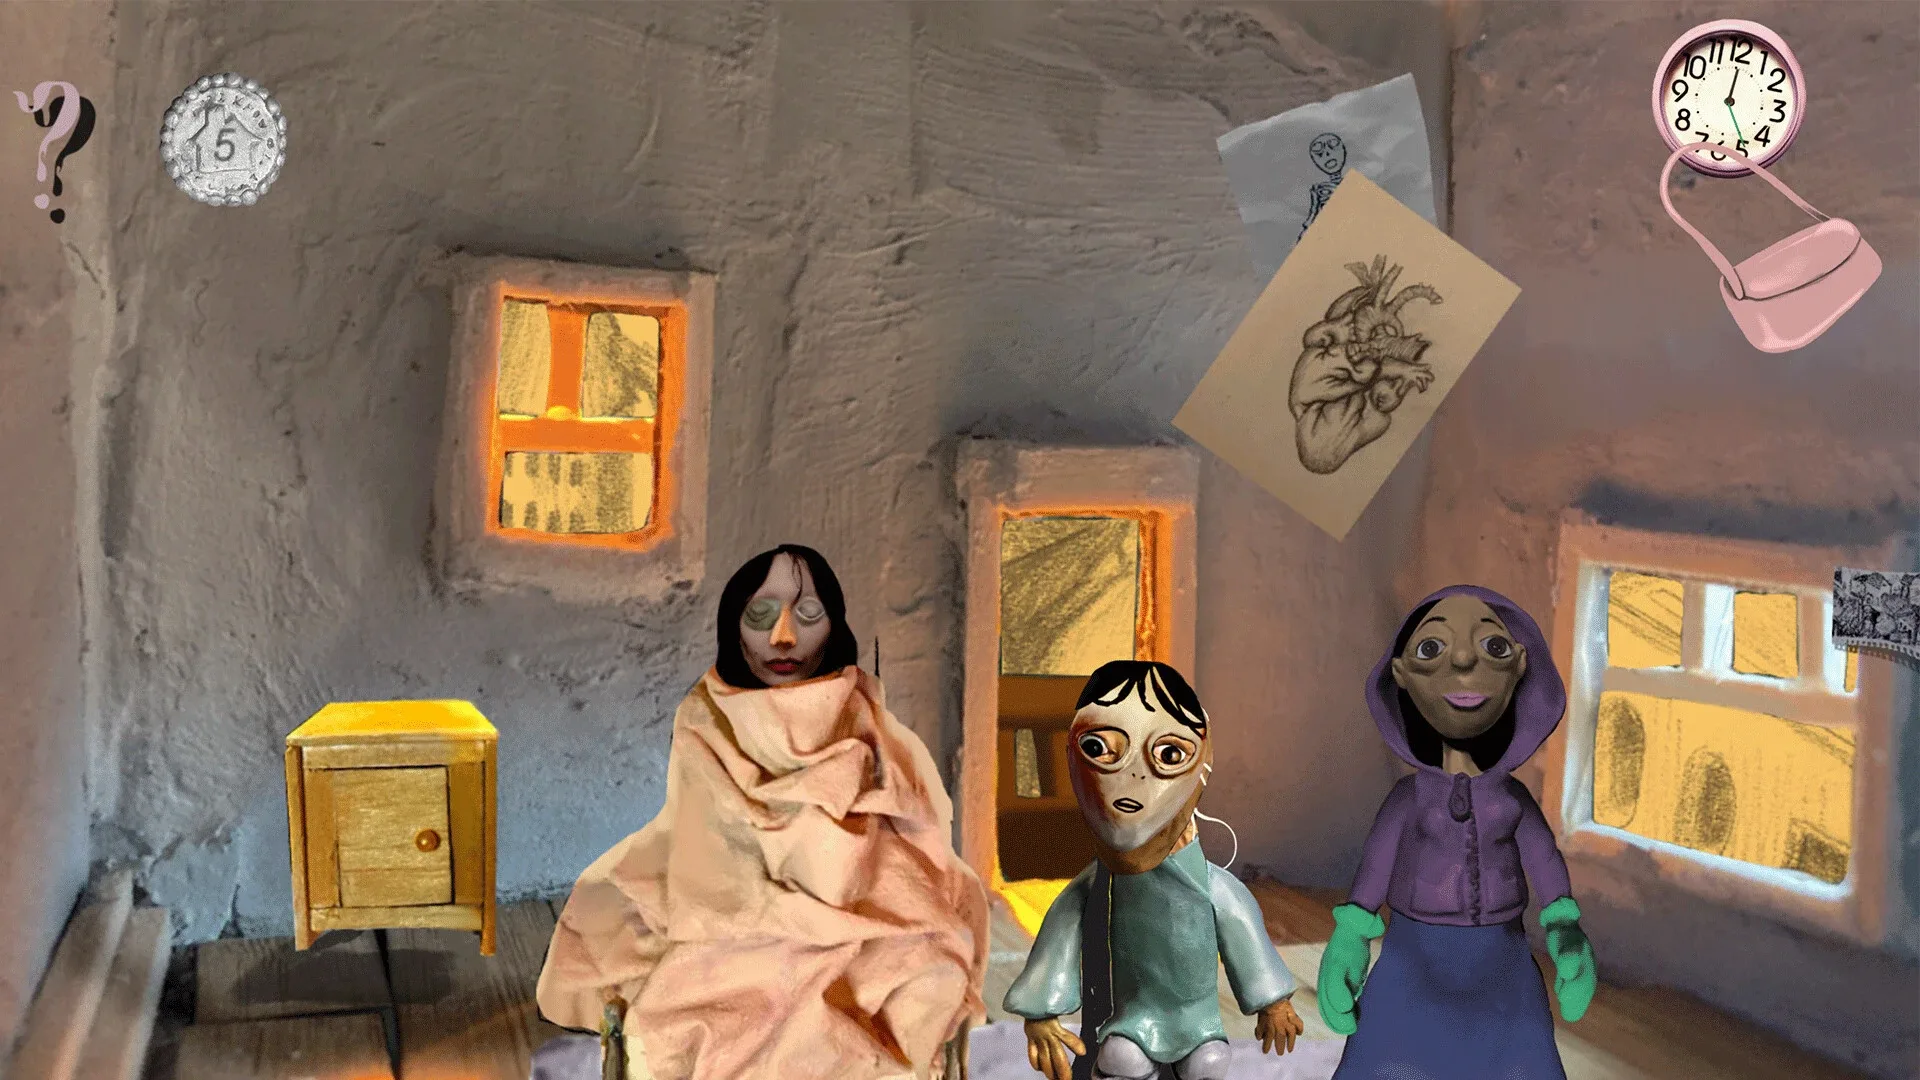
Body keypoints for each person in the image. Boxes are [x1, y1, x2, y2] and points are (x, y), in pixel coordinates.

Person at [535, 544, 989, 1080]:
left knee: (927, 971)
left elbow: (910, 831)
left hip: (867, 894)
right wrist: (787, 910)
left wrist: (844, 871)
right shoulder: (705, 715)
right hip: (731, 894)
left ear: (834, 623)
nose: (784, 637)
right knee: (687, 969)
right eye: (760, 616)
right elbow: (710, 845)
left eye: (809, 614)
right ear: (735, 625)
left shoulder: (868, 715)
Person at [1319, 585, 1598, 1080]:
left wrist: (1565, 929)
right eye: (1432, 648)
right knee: (1391, 1060)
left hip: (1503, 961)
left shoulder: (1512, 801)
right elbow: (1376, 865)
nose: (1465, 664)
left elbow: (1543, 860)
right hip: (1413, 960)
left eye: (1493, 647)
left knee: (1519, 1060)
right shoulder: (1408, 800)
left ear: (1519, 666)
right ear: (1401, 674)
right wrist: (1351, 936)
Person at [1004, 660, 1304, 1080]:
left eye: (1169, 754)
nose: (1133, 779)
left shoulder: (1211, 886)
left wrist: (1274, 1001)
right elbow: (1061, 931)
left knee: (1208, 1064)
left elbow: (1243, 931)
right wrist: (1042, 1011)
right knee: (1121, 1058)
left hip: (1199, 1023)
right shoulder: (1100, 883)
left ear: (1202, 759)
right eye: (1099, 748)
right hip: (1132, 1018)